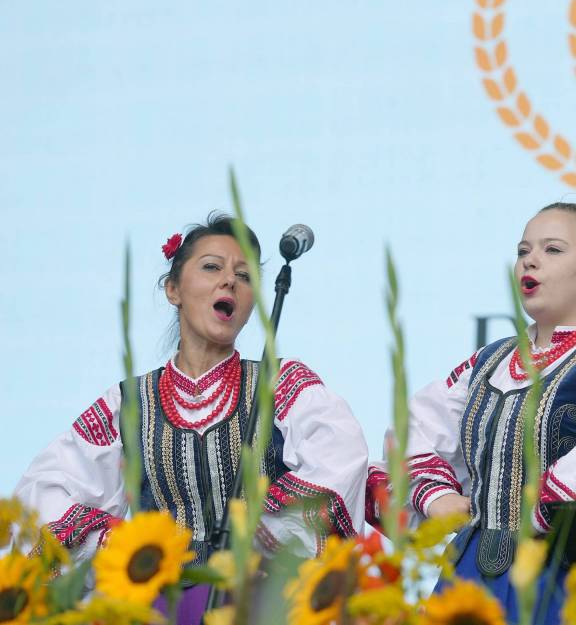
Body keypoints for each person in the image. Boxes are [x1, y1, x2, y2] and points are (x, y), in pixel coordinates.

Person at [14, 214, 368, 623]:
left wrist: (261, 538)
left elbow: (339, 459)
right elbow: (46, 492)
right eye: (212, 267)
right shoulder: (128, 403)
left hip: (262, 602)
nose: (229, 281)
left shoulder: (281, 384)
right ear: (173, 289)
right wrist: (126, 547)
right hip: (160, 608)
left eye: (244, 276)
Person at [368, 203, 576, 623]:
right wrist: (436, 496)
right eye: (523, 250)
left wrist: (529, 510)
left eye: (552, 250)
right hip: (470, 574)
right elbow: (416, 427)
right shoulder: (488, 363)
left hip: (562, 577)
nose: (530, 260)